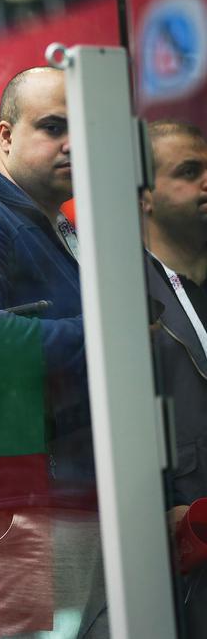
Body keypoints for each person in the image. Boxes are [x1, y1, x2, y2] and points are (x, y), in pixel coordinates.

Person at [0, 66, 106, 637]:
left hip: (70, 499)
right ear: (6, 135)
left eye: (81, 130)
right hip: (24, 505)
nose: (71, 144)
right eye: (53, 127)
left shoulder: (61, 232)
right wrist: (111, 334)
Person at [142, 121, 207, 629]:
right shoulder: (121, 291)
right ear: (145, 197)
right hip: (186, 547)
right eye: (189, 172)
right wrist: (161, 508)